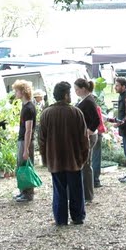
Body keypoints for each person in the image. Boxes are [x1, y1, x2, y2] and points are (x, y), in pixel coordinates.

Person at [38, 81, 90, 226]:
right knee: (76, 190)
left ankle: (60, 219)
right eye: (70, 93)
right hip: (74, 159)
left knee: (59, 191)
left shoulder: (46, 114)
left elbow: (42, 140)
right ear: (66, 95)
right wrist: (83, 157)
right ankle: (78, 217)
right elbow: (84, 139)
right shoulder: (76, 112)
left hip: (55, 160)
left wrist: (46, 158)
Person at [73, 78, 102, 203]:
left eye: (77, 89)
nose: (75, 92)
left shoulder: (89, 101)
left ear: (83, 89)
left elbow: (96, 120)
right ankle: (86, 194)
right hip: (87, 136)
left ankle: (88, 195)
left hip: (89, 137)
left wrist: (88, 132)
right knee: (84, 164)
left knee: (85, 165)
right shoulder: (86, 99)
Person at [13, 80, 38, 203]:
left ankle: (28, 194)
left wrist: (26, 148)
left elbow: (28, 130)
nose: (15, 93)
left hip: (25, 140)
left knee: (25, 166)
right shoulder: (26, 106)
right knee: (21, 166)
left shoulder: (28, 108)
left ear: (22, 92)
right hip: (22, 139)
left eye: (16, 90)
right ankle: (23, 191)